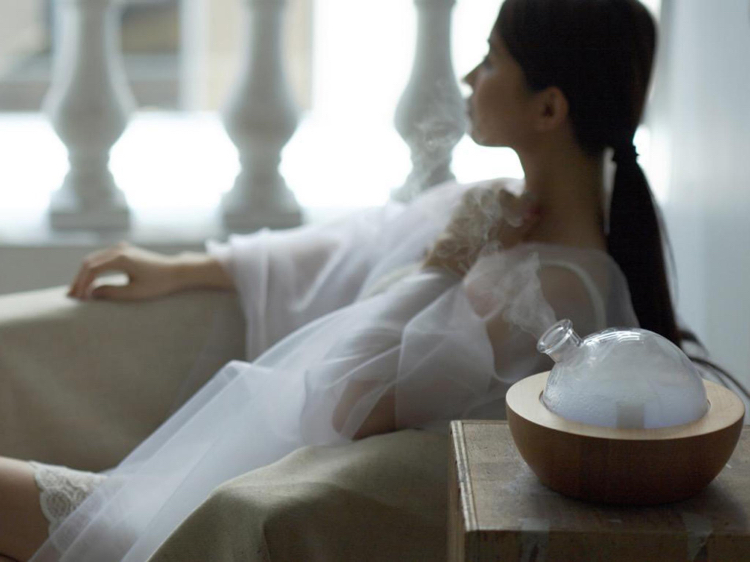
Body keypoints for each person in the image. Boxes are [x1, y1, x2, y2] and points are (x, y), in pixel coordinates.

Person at [0, 0, 736, 560]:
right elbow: (353, 243)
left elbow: (347, 400)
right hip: (231, 475)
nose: (469, 78)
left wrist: (442, 267)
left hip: (237, 511)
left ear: (548, 107)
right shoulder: (493, 206)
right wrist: (186, 268)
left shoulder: (557, 291)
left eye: (490, 60)